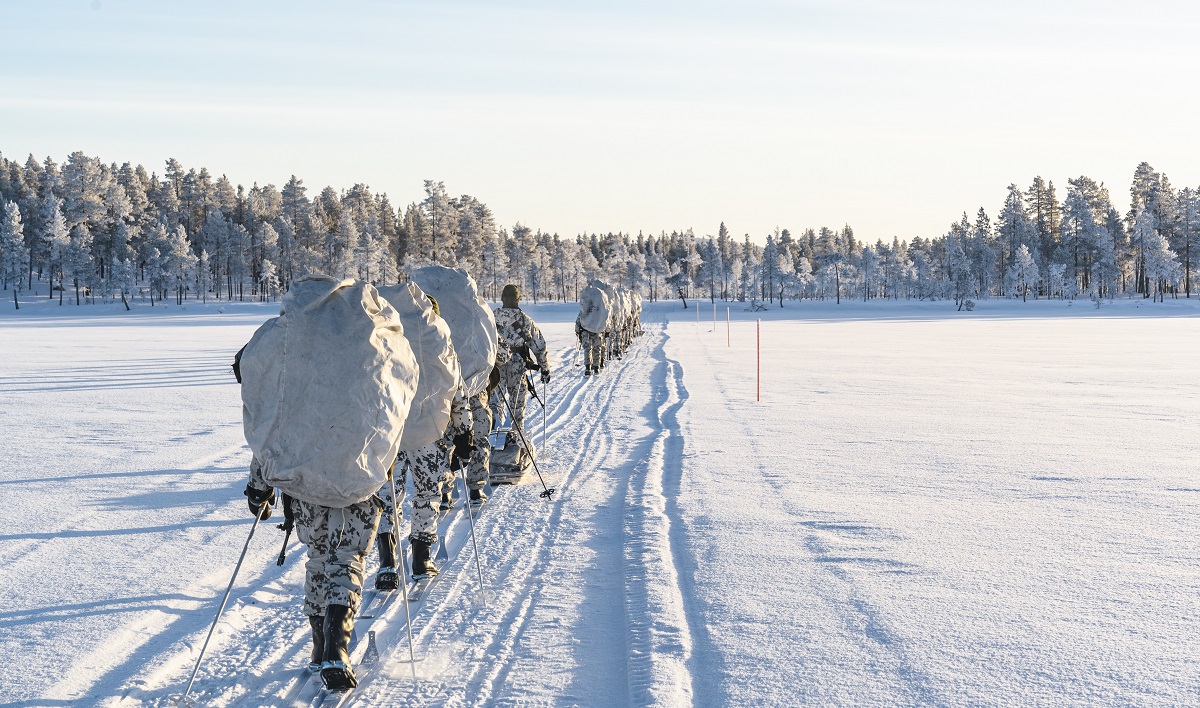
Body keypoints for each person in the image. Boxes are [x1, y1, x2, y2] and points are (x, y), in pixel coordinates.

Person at [490, 284, 549, 442]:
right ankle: (516, 442)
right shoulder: (525, 320)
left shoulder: (491, 317)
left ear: (502, 298)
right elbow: (539, 346)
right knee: (517, 406)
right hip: (518, 366)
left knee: (495, 404)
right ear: (518, 299)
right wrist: (544, 368)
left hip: (496, 367)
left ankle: (492, 439)